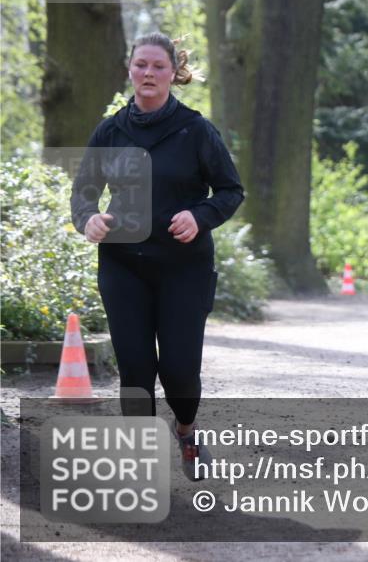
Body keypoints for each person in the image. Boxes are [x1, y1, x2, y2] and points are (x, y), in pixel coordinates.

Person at [71, 32, 244, 480]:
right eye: (141, 65)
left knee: (180, 372)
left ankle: (186, 430)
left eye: (158, 66)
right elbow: (83, 194)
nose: (148, 73)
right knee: (135, 370)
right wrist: (89, 219)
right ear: (130, 69)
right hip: (123, 266)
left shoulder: (196, 130)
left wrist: (199, 216)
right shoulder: (110, 131)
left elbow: (230, 190)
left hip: (183, 268)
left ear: (173, 73)